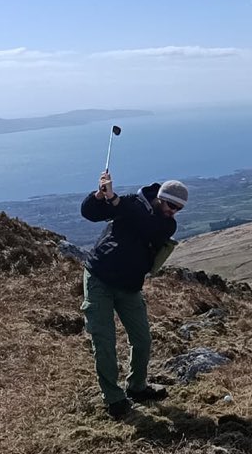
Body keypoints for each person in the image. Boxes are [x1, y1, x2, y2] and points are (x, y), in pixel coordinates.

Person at [80, 170, 188, 419]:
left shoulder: (165, 223)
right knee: (104, 341)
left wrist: (116, 202)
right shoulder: (130, 203)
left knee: (142, 340)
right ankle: (114, 399)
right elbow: (90, 213)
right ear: (161, 198)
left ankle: (137, 387)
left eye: (178, 209)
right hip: (99, 279)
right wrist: (99, 195)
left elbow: (149, 228)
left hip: (129, 285)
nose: (173, 212)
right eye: (171, 205)